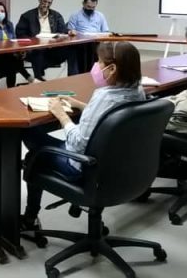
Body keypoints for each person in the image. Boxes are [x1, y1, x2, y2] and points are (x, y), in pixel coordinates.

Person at [20, 42, 146, 231]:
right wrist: (81, 106)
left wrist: (61, 115)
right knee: (37, 138)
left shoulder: (104, 97)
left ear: (112, 69)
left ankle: (30, 219)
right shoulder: (137, 91)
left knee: (32, 146)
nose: (95, 66)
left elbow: (78, 143)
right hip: (118, 163)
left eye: (99, 62)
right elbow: (110, 117)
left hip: (85, 166)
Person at [16, 0, 78, 80]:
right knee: (37, 51)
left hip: (52, 48)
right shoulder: (27, 16)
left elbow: (63, 30)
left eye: (49, 3)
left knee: (72, 49)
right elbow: (20, 34)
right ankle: (38, 79)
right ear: (39, 0)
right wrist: (34, 41)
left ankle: (73, 78)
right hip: (35, 49)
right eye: (44, 1)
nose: (46, 5)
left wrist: (69, 31)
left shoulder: (56, 15)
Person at [0, 2, 36, 87]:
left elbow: (14, 40)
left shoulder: (9, 24)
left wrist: (19, 51)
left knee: (17, 58)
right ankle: (27, 78)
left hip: (9, 54)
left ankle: (15, 85)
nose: (0, 13)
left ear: (5, 13)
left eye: (2, 11)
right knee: (13, 61)